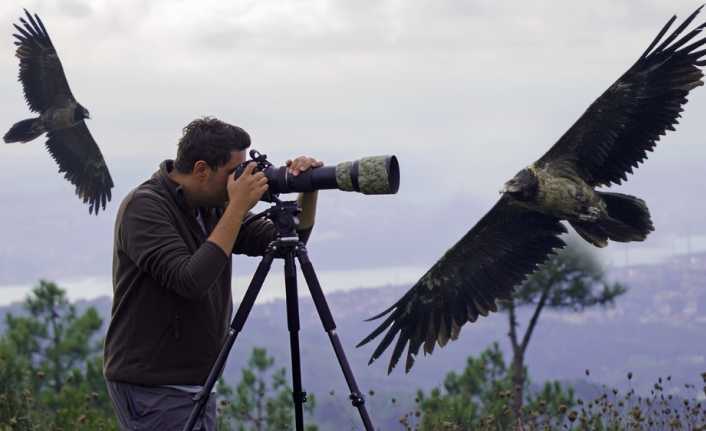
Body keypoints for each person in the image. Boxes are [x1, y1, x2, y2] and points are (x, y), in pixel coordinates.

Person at [103, 117, 322, 430]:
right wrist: (236, 206)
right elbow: (190, 280)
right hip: (152, 384)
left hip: (195, 383)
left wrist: (307, 189)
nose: (241, 179)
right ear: (201, 169)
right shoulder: (144, 207)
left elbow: (286, 240)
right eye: (234, 172)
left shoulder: (211, 204)